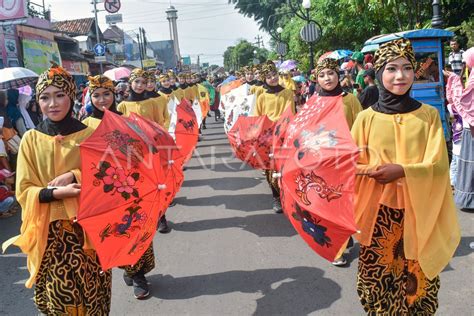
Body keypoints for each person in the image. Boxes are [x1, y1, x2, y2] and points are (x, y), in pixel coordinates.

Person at [351, 39, 460, 314]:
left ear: (415, 72)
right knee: (376, 285)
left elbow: (438, 166)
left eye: (407, 68)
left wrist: (402, 171)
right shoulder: (365, 119)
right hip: (378, 216)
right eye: (391, 68)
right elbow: (350, 166)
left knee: (418, 284)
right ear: (378, 73)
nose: (400, 76)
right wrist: (371, 171)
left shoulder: (429, 116)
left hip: (419, 212)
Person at [2, 63, 111, 314]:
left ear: (71, 96)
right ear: (37, 102)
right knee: (59, 300)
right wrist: (53, 193)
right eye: (45, 97)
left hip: (89, 231)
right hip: (50, 234)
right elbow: (24, 189)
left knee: (94, 295)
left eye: (59, 95)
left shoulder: (91, 134)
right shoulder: (30, 139)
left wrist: (74, 175)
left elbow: (108, 176)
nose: (52, 103)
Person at [255, 61, 295, 213]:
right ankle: (276, 197)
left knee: (287, 166)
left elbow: (290, 113)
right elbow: (257, 118)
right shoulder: (261, 97)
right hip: (268, 137)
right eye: (269, 76)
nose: (272, 78)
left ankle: (288, 195)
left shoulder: (287, 93)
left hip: (284, 134)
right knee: (270, 169)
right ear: (264, 79)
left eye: (274, 75)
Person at [445, 47, 474, 211]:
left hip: (470, 129)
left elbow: (463, 100)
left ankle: (469, 198)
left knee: (469, 162)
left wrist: (454, 79)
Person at [315, 58, 363, 129]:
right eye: (322, 76)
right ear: (317, 80)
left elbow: (360, 127)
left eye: (331, 73)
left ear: (337, 75)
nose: (327, 78)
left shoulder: (351, 99)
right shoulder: (315, 102)